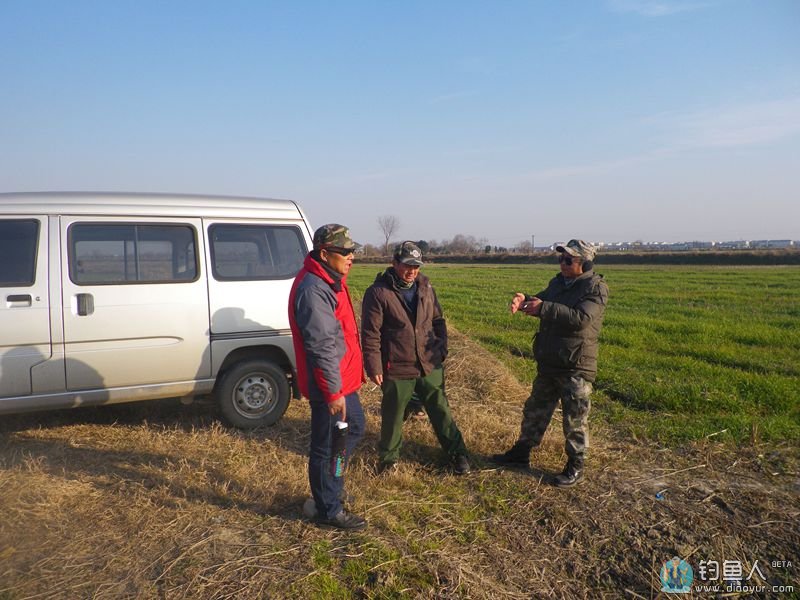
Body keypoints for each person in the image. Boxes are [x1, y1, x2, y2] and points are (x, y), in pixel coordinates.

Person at [492, 239, 608, 487]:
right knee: (535, 410)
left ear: (584, 263)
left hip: (575, 365)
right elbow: (541, 300)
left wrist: (544, 307)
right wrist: (524, 299)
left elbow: (581, 318)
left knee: (574, 420)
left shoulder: (595, 288)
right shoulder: (558, 283)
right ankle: (520, 453)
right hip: (550, 361)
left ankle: (575, 465)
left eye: (569, 260)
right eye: (561, 259)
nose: (563, 264)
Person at [361, 241, 470, 475]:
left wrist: (441, 349)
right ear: (394, 263)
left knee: (440, 408)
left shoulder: (425, 286)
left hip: (429, 363)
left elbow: (438, 320)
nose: (412, 271)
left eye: (416, 266)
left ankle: (457, 453)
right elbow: (371, 334)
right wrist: (374, 365)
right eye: (407, 265)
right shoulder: (378, 293)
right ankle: (388, 460)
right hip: (397, 366)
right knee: (393, 414)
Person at [288, 224, 367, 529]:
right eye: (345, 251)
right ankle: (328, 508)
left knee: (353, 428)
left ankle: (330, 486)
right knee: (328, 446)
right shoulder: (313, 289)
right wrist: (333, 392)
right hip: (329, 386)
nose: (352, 257)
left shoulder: (329, 279)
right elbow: (321, 345)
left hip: (342, 380)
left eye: (353, 251)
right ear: (324, 253)